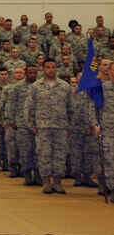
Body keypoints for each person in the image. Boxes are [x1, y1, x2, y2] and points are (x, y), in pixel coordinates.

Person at [25, 59, 73, 194]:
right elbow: (29, 108)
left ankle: (57, 182)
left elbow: (71, 108)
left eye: (53, 67)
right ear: (43, 69)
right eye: (48, 67)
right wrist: (32, 125)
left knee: (60, 154)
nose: (51, 69)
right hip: (42, 127)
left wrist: (70, 126)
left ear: (56, 68)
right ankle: (46, 181)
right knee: (44, 154)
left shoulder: (65, 86)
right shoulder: (35, 86)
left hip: (61, 126)